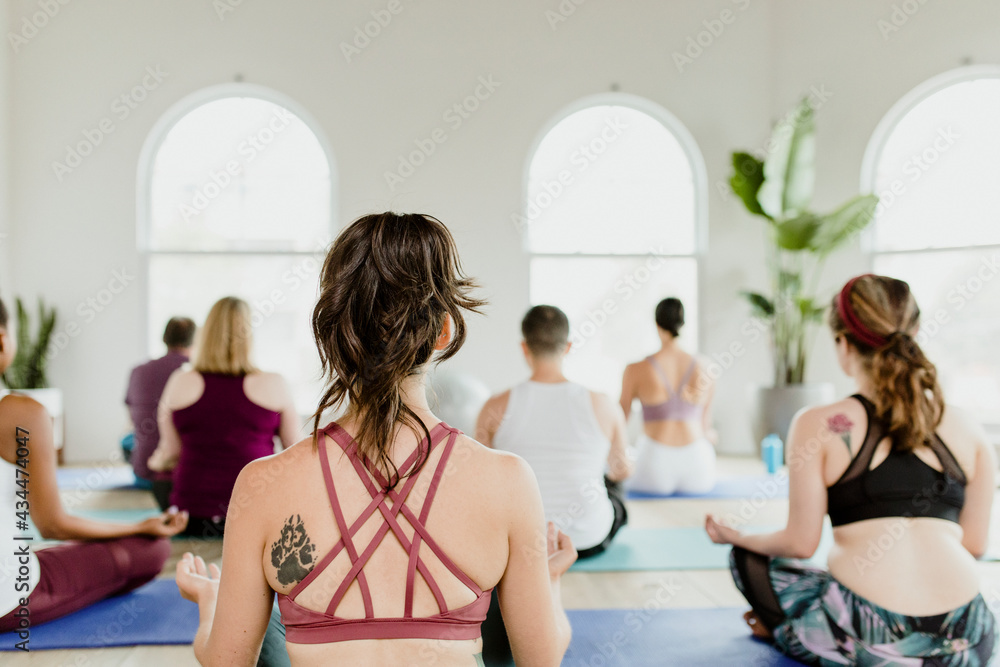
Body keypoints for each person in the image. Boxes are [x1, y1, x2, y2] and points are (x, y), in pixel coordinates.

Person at [173, 213, 575, 667]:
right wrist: (550, 581)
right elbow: (542, 660)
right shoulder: (510, 480)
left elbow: (225, 660)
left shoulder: (259, 483)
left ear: (332, 334)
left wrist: (211, 602)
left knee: (266, 622)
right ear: (443, 331)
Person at [705, 274, 998, 664]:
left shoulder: (818, 424)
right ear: (915, 332)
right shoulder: (967, 426)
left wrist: (738, 536)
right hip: (970, 639)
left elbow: (799, 544)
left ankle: (788, 632)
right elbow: (975, 546)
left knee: (746, 558)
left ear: (843, 344)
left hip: (872, 641)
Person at [0, 296, 188, 632]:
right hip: (9, 597)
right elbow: (53, 525)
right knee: (154, 547)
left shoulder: (141, 370)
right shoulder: (19, 413)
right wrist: (140, 525)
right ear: (2, 341)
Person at [477, 304, 632, 558]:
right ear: (567, 346)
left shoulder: (495, 406)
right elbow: (621, 469)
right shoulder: (603, 403)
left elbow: (482, 477)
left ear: (524, 347)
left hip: (523, 545)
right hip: (588, 540)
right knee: (614, 485)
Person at [148, 297, 300, 538]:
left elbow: (170, 452)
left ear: (206, 334)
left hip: (192, 515)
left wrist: (153, 464)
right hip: (254, 515)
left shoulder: (180, 381)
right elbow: (295, 455)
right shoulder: (274, 383)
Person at [619, 297, 717, 495]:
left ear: (657, 324)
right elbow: (705, 426)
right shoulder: (707, 368)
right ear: (683, 323)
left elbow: (621, 420)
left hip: (655, 465)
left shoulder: (635, 369)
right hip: (698, 467)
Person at [125, 316, 196, 509]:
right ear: (195, 340)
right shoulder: (198, 373)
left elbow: (131, 419)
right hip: (186, 475)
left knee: (127, 440)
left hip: (144, 474)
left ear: (164, 338)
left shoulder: (138, 370)